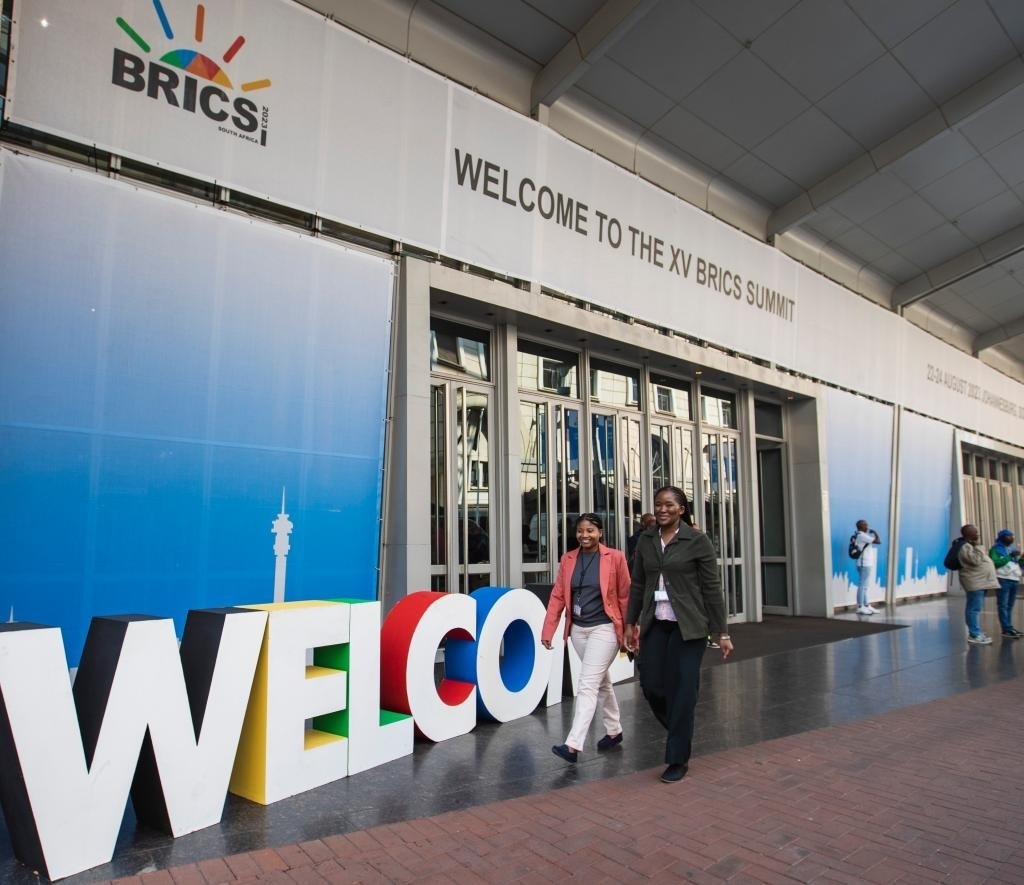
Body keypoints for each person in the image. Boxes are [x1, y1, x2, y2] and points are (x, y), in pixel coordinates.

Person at [624, 485, 733, 783]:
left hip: (689, 627)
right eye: (658, 504)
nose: (662, 509)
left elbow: (712, 588)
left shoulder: (697, 540)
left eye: (669, 504)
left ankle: (677, 758)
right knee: (651, 685)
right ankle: (680, 730)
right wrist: (630, 622)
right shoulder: (646, 540)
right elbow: (638, 583)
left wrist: (721, 632)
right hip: (655, 623)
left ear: (681, 509)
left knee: (683, 690)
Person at [541, 513, 631, 763]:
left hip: (605, 629)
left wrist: (630, 630)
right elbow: (558, 595)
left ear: (600, 532)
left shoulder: (615, 557)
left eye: (590, 530)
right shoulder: (568, 559)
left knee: (587, 684)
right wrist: (548, 629)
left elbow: (625, 596)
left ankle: (573, 745)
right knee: (600, 682)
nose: (585, 535)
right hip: (578, 630)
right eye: (580, 530)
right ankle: (614, 730)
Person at [958, 524, 1000, 645]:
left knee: (976, 608)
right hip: (975, 582)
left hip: (980, 582)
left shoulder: (970, 545)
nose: (978, 534)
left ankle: (976, 631)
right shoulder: (964, 546)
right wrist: (978, 546)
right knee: (973, 609)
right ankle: (974, 634)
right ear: (968, 533)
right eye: (975, 532)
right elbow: (975, 560)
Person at [988, 529, 1022, 639]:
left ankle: (1009, 627)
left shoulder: (1012, 548)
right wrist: (1010, 556)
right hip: (1003, 579)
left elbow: (1017, 563)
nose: (1012, 538)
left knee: (1010, 605)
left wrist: (1022, 559)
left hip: (1014, 579)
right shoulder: (995, 549)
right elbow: (995, 563)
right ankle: (1006, 628)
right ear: (1002, 537)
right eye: (1009, 536)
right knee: (1003, 605)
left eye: (1012, 536)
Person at [852, 519, 882, 615]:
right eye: (865, 525)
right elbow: (878, 541)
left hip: (866, 563)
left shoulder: (860, 535)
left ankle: (866, 605)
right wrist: (875, 532)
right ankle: (860, 607)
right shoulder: (862, 535)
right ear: (861, 526)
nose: (867, 527)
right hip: (864, 563)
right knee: (862, 585)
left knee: (865, 586)